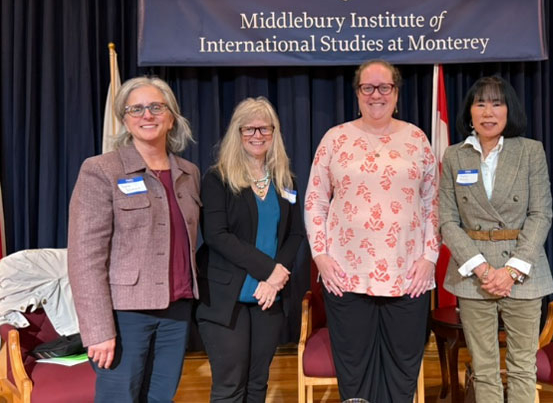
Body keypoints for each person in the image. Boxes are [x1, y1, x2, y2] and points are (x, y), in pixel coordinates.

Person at [304, 59, 440, 402]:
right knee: (355, 371)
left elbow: (433, 204)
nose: (376, 94)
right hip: (346, 275)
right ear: (357, 92)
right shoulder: (335, 139)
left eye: (384, 87)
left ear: (396, 92)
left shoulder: (417, 139)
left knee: (402, 369)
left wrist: (429, 258)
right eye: (368, 87)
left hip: (409, 275)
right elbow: (315, 202)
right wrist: (320, 256)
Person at [68, 76, 200, 402]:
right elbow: (85, 258)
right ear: (125, 119)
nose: (147, 115)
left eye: (156, 107)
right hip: (124, 316)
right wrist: (98, 330)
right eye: (136, 108)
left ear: (171, 117)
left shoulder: (189, 172)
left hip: (177, 311)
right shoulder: (102, 170)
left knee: (161, 398)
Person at [439, 76, 553, 402]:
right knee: (483, 368)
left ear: (509, 110)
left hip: (523, 271)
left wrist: (512, 271)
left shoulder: (531, 151)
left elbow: (541, 214)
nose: (488, 112)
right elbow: (447, 220)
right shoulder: (454, 156)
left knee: (522, 367)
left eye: (496, 103)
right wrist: (483, 270)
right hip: (474, 274)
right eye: (480, 103)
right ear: (470, 111)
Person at [196, 97, 304, 402]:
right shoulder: (218, 178)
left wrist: (275, 280)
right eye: (249, 129)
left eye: (264, 129)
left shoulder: (287, 180)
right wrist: (270, 270)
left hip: (270, 298)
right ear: (237, 132)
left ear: (274, 133)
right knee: (231, 386)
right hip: (226, 299)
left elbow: (295, 235)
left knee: (258, 384)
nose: (257, 135)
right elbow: (217, 235)